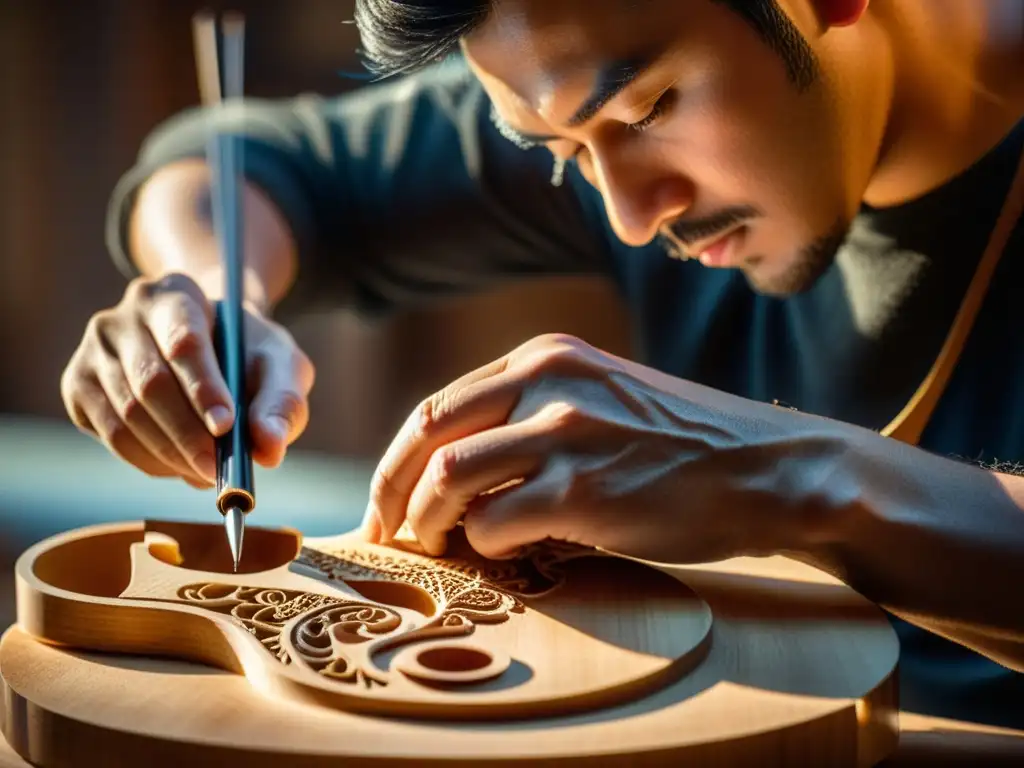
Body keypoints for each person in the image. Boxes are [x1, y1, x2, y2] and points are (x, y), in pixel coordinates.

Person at [61, 0, 1024, 729]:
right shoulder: (589, 67)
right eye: (560, 151)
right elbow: (249, 167)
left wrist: (792, 478)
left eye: (652, 109)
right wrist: (205, 297)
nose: (634, 216)